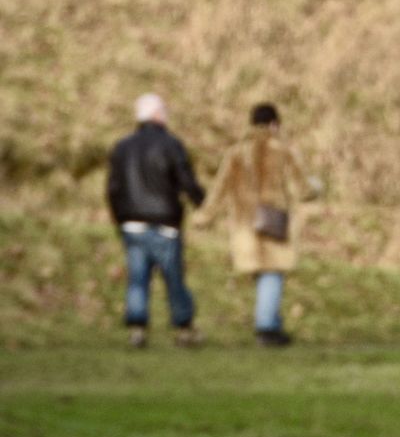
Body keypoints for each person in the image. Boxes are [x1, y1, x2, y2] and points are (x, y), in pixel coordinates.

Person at [194, 102, 317, 347]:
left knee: (263, 275)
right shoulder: (283, 151)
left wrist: (204, 216)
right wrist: (315, 189)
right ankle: (267, 327)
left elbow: (220, 188)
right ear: (274, 124)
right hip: (273, 225)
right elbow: (303, 189)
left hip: (245, 226)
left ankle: (272, 321)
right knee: (272, 273)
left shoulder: (236, 153)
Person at [106, 92, 206, 348]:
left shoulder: (122, 147)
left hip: (132, 224)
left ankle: (137, 328)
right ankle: (183, 329)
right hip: (166, 223)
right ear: (158, 114)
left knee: (138, 279)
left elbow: (113, 188)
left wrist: (119, 219)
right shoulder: (171, 145)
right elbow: (186, 181)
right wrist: (201, 201)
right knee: (174, 278)